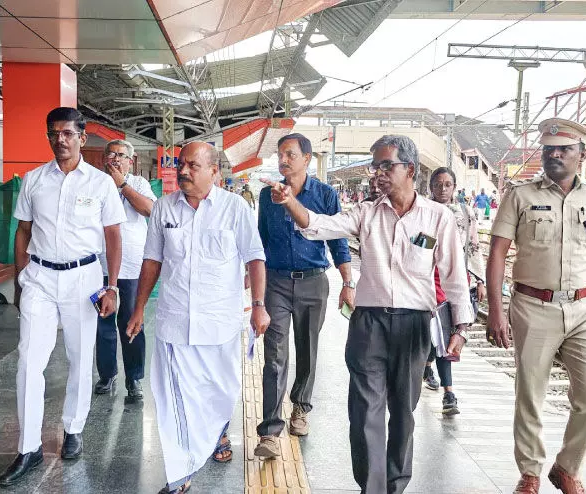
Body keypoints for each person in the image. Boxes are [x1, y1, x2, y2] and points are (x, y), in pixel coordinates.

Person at [262, 134, 473, 494]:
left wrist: (460, 325)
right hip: (368, 324)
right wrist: (289, 202)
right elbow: (317, 225)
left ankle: (395, 483)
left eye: (385, 165)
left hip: (414, 325)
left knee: (403, 412)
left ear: (410, 169)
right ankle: (371, 488)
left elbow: (454, 274)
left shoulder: (437, 217)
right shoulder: (367, 213)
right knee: (364, 412)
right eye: (375, 165)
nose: (378, 172)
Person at [486, 118, 586, 494]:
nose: (555, 155)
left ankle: (567, 467)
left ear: (581, 155)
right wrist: (496, 309)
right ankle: (530, 472)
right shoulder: (521, 196)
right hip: (533, 305)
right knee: (530, 393)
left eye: (564, 149)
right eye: (549, 149)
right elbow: (497, 253)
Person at [126, 142, 270, 494]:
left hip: (219, 323)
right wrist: (140, 308)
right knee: (174, 399)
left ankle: (217, 431)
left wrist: (259, 305)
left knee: (220, 393)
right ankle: (180, 474)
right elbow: (152, 261)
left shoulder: (235, 208)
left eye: (192, 165)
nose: (184, 171)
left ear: (214, 172)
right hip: (175, 322)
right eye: (181, 165)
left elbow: (255, 258)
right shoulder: (163, 208)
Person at [0, 107, 125, 486]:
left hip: (83, 279)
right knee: (27, 362)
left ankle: (73, 428)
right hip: (39, 277)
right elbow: (22, 232)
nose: (60, 140)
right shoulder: (34, 180)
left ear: (82, 138)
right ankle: (29, 447)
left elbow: (113, 236)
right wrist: (21, 281)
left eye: (68, 133)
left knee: (79, 357)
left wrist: (112, 286)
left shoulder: (101, 184)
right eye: (54, 133)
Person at [253, 133, 353, 458]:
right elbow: (262, 241)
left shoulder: (324, 195)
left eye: (290, 154)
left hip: (313, 282)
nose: (283, 160)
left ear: (307, 158)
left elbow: (339, 241)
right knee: (275, 355)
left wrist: (348, 282)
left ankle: (300, 407)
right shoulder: (268, 196)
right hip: (277, 283)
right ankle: (269, 431)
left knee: (307, 350)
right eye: (280, 155)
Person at [94, 139, 156, 399]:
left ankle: (134, 378)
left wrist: (122, 184)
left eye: (121, 155)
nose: (115, 159)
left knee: (131, 323)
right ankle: (107, 375)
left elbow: (149, 209)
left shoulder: (139, 184)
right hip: (98, 266)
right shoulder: (94, 183)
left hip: (132, 267)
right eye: (111, 154)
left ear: (131, 161)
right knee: (102, 323)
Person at [422, 167, 486, 416]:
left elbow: (473, 245)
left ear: (454, 187)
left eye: (447, 184)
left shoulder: (465, 212)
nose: (442, 189)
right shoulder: (423, 211)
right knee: (436, 332)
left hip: (457, 279)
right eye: (438, 184)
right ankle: (441, 383)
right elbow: (417, 243)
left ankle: (447, 390)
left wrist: (478, 280)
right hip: (430, 277)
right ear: (431, 187)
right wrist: (439, 250)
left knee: (446, 333)